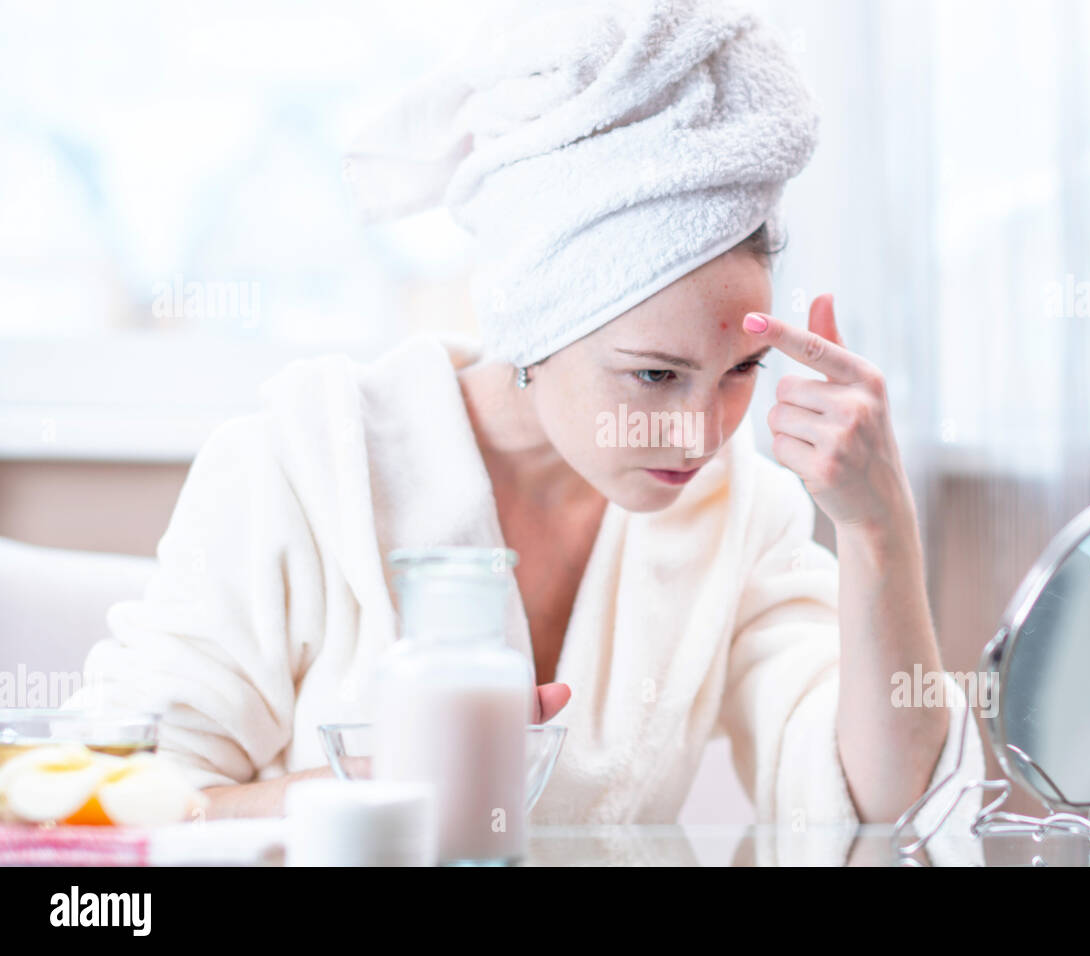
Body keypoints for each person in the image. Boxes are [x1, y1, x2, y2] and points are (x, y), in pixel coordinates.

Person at [68, 0, 985, 834]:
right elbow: (100, 809)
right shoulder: (300, 468)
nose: (703, 434)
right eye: (655, 376)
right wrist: (381, 794)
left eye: (742, 370)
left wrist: (878, 530)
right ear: (532, 325)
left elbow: (881, 805)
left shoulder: (739, 516)